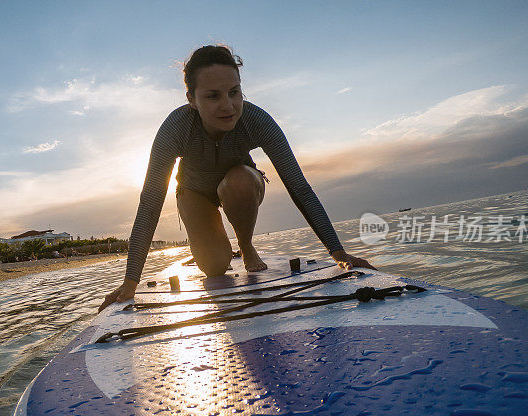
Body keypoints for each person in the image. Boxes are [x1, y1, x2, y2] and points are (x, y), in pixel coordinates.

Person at [99, 45, 374, 312]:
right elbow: (150, 202)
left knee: (240, 181)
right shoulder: (175, 129)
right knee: (216, 267)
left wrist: (339, 255)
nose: (228, 105)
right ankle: (211, 241)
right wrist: (130, 282)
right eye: (213, 96)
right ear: (192, 100)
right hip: (194, 191)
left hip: (239, 182)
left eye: (234, 92)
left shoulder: (256, 120)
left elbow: (298, 186)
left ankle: (245, 244)